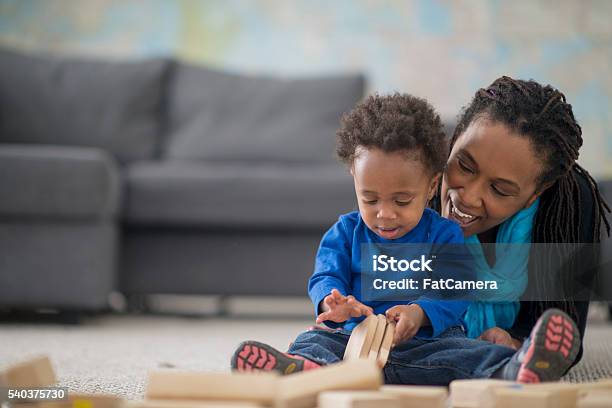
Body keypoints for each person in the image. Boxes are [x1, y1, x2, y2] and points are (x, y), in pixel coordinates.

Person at [231, 93, 471, 374]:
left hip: (425, 342)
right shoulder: (344, 233)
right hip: (352, 341)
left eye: (401, 201)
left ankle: (509, 368)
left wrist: (420, 313)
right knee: (312, 340)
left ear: (431, 187)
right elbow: (326, 277)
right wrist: (333, 302)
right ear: (354, 180)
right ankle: (305, 368)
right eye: (370, 200)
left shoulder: (444, 235)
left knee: (466, 352)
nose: (385, 214)